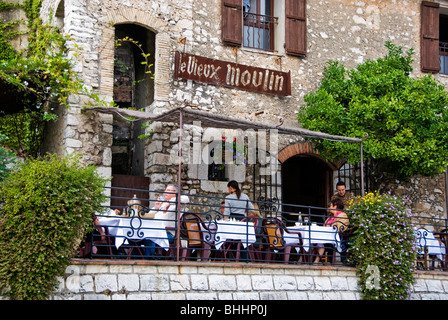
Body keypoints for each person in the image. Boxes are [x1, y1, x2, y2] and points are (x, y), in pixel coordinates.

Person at [140, 184, 189, 259]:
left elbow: (186, 199)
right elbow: (149, 216)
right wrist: (156, 208)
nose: (166, 192)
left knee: (150, 236)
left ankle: (149, 259)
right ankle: (139, 257)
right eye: (166, 190)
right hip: (154, 230)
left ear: (175, 192)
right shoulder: (163, 204)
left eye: (169, 190)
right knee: (134, 235)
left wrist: (169, 202)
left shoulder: (178, 204)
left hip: (167, 233)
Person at [313, 198, 349, 263]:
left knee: (318, 242)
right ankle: (310, 260)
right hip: (326, 236)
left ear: (335, 206)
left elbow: (341, 228)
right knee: (313, 240)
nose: (329, 208)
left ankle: (315, 261)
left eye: (330, 206)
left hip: (334, 237)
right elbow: (325, 226)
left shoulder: (342, 215)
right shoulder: (331, 217)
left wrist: (329, 227)